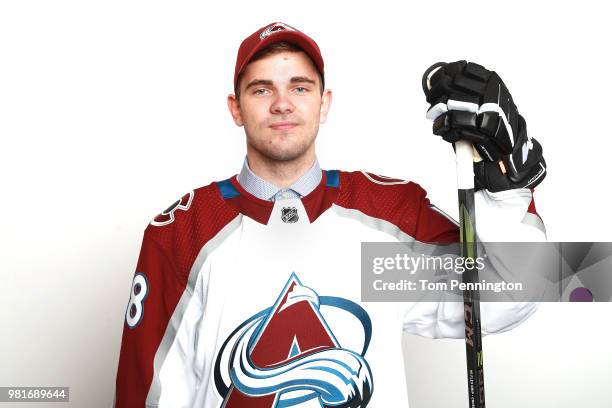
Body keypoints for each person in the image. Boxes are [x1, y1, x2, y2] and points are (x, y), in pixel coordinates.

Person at [114, 22, 547, 407]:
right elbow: (146, 396)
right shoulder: (181, 234)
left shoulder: (387, 212)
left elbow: (506, 297)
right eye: (262, 89)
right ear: (235, 108)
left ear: (324, 103)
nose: (282, 103)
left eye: (300, 87)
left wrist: (507, 184)